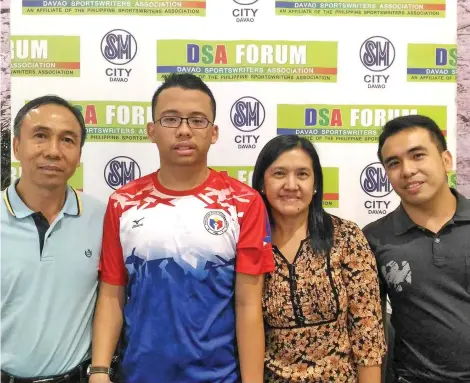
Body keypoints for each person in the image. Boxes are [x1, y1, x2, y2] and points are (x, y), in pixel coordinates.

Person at [89, 73, 274, 383]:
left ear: (214, 133)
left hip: (219, 376)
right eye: (171, 119)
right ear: (152, 131)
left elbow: (248, 304)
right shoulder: (123, 202)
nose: (185, 130)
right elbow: (112, 293)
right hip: (139, 374)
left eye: (197, 120)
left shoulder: (243, 202)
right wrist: (99, 370)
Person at [252, 135, 387, 383]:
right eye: (279, 174)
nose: (291, 185)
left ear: (315, 184)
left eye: (302, 174)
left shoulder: (346, 237)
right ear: (262, 182)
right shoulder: (249, 242)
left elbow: (367, 332)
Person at [1, 95, 106, 382]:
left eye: (68, 140)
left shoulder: (102, 217)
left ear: (79, 154)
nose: (53, 151)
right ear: (17, 146)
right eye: (40, 136)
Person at [363, 115, 470, 383]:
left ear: (446, 160)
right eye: (394, 163)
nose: (407, 170)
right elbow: (367, 330)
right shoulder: (374, 239)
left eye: (418, 155)